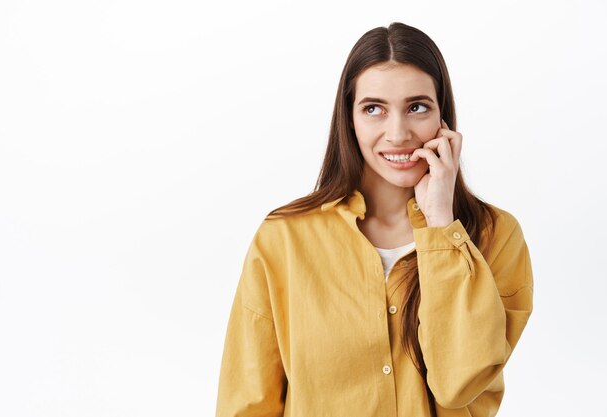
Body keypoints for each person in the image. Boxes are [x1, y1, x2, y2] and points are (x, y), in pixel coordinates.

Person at [215, 21, 533, 417]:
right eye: (374, 109)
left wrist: (440, 226)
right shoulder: (283, 238)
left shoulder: (495, 236)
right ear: (349, 118)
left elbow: (459, 383)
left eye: (417, 107)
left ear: (443, 117)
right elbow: (247, 403)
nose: (397, 133)